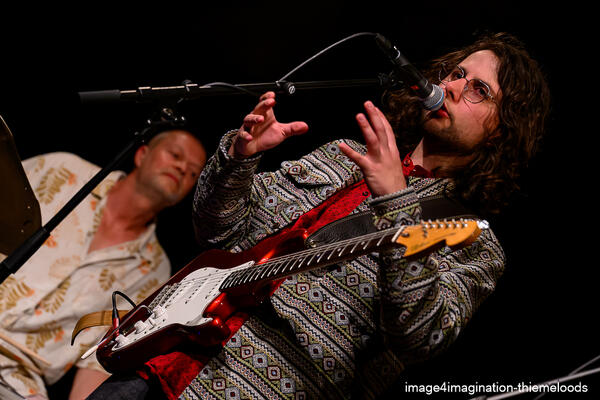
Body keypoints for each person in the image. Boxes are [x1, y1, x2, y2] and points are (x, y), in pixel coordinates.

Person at [88, 32, 550, 400]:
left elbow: (420, 336)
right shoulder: (341, 154)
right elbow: (218, 234)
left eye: (479, 90)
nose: (451, 87)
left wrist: (397, 203)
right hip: (158, 361)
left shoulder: (478, 245)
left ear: (501, 131)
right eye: (456, 73)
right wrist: (238, 160)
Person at [0, 128, 207, 400]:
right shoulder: (64, 170)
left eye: (192, 173)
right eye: (175, 155)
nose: (181, 168)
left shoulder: (155, 269)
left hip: (18, 377)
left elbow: (97, 358)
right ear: (142, 154)